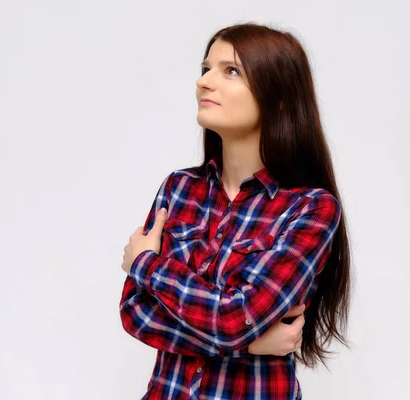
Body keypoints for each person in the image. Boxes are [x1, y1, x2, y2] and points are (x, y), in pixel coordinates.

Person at [119, 22, 351, 400]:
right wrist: (248, 345)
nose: (205, 82)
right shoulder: (179, 189)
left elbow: (233, 318)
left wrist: (146, 263)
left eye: (231, 71)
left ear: (278, 97)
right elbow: (135, 311)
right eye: (206, 68)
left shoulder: (310, 209)